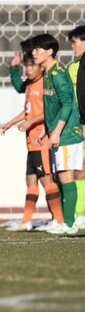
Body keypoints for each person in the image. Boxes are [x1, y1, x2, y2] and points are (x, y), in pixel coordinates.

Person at [0, 51, 64, 231]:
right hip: (30, 141)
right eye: (26, 66)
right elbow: (28, 111)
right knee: (30, 181)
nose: (28, 69)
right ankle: (26, 221)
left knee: (47, 181)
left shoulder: (46, 84)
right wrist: (11, 123)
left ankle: (59, 220)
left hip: (42, 140)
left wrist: (31, 122)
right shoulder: (29, 84)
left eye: (32, 65)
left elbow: (50, 111)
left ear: (40, 66)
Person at [31, 33, 83, 234]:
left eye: (38, 49)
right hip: (59, 132)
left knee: (65, 176)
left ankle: (69, 224)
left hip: (68, 132)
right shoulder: (48, 72)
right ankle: (64, 221)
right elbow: (53, 107)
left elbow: (68, 103)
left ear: (50, 51)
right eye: (34, 49)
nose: (34, 53)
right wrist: (47, 129)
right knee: (59, 176)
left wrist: (57, 131)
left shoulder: (58, 73)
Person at [66, 26, 85, 229]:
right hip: (79, 127)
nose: (72, 46)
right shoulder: (73, 68)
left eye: (75, 41)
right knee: (79, 171)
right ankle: (80, 214)